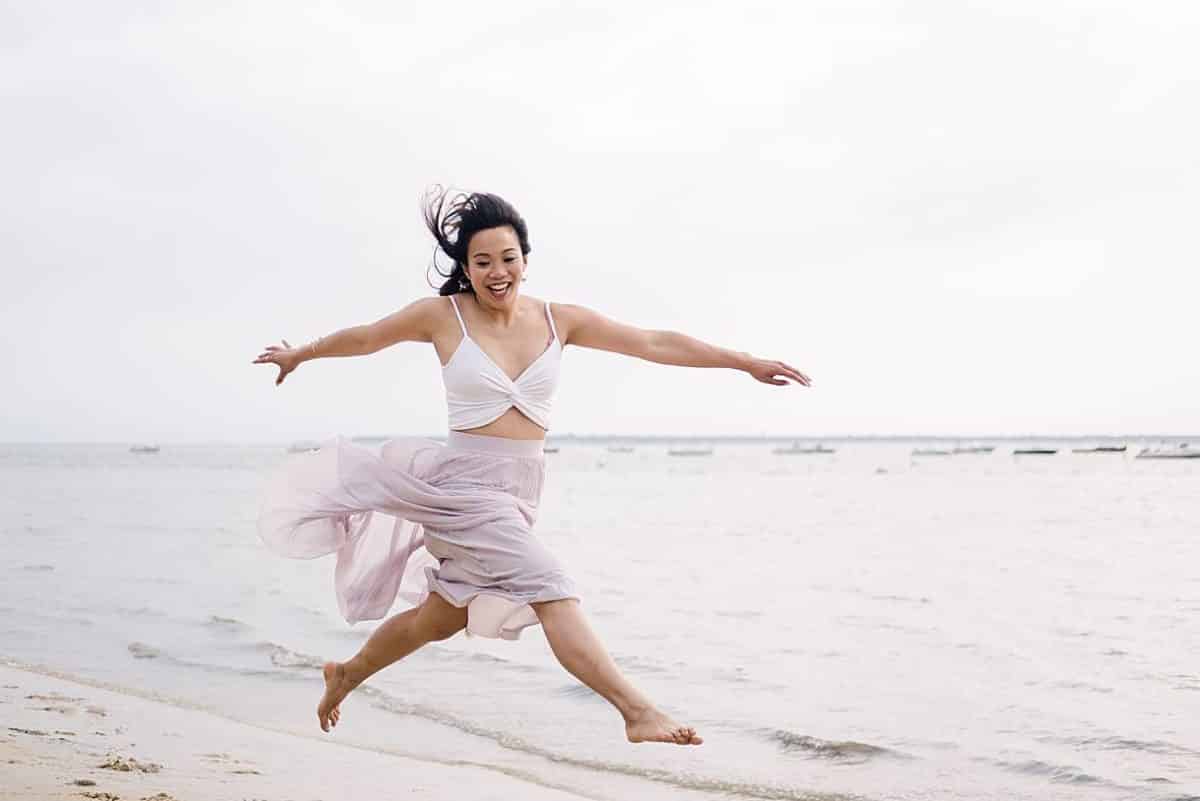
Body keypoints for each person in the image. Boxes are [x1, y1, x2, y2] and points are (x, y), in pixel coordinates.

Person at [252, 188, 811, 747]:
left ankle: (346, 673)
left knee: (441, 618)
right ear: (465, 268)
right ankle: (636, 712)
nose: (497, 273)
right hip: (465, 489)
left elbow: (652, 342)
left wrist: (744, 363)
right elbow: (367, 338)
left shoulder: (558, 319)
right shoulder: (443, 316)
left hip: (519, 491)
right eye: (482, 262)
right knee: (552, 588)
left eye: (508, 258)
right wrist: (301, 353)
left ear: (525, 257)